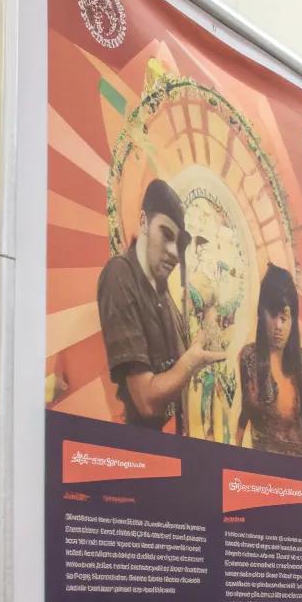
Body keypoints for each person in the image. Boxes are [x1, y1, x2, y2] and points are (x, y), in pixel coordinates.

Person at [96, 178, 226, 431]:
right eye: (165, 235)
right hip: (131, 447)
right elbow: (146, 402)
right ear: (144, 221)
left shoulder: (161, 289)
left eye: (178, 243)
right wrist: (191, 361)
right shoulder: (119, 275)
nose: (174, 253)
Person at [236, 264, 302, 460]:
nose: (278, 326)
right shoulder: (248, 358)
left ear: (293, 319)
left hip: (298, 473)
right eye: (273, 315)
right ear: (261, 313)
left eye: (284, 317)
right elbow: (242, 417)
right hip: (256, 471)